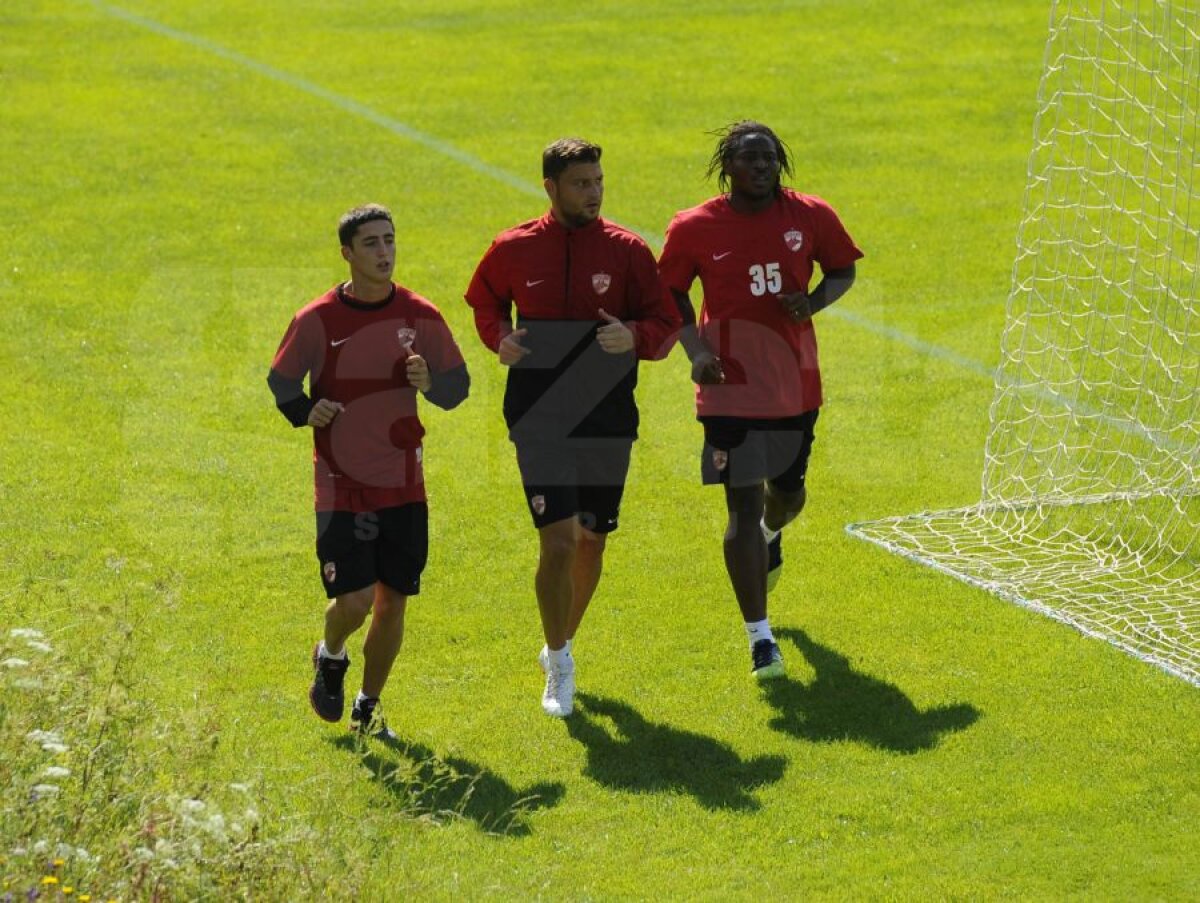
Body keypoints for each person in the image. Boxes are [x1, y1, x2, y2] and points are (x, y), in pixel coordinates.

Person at [464, 138, 680, 717]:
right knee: (558, 542)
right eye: (582, 183)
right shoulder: (513, 247)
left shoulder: (629, 251)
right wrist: (499, 337)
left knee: (592, 540)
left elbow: (666, 319)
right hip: (539, 418)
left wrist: (635, 336)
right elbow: (483, 301)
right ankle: (560, 661)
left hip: (607, 417)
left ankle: (560, 639)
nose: (594, 192)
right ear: (551, 188)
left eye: (599, 181)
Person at [657, 121, 863, 680]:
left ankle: (773, 537)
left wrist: (813, 302)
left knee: (787, 497)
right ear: (728, 167)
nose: (760, 166)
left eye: (769, 157)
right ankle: (761, 638)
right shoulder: (695, 226)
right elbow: (669, 290)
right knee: (741, 508)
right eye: (748, 158)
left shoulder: (810, 215)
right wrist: (695, 350)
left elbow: (843, 268)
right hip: (727, 391)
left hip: (795, 387)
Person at [268, 203, 470, 738]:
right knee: (354, 600)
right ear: (347, 254)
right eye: (372, 244)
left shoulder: (420, 315)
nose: (385, 253)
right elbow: (282, 382)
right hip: (340, 483)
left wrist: (430, 382)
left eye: (390, 240)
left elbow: (458, 388)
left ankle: (367, 704)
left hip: (403, 482)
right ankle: (330, 654)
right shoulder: (317, 320)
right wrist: (306, 411)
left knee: (392, 601)